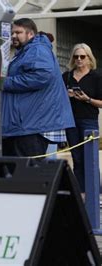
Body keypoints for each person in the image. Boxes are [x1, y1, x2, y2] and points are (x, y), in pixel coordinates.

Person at [2, 18, 74, 157]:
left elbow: (42, 75)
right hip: (26, 124)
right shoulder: (28, 51)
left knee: (26, 173)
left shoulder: (37, 49)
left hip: (31, 125)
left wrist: (5, 83)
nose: (14, 36)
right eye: (12, 33)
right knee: (18, 174)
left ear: (31, 34)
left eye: (18, 32)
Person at [62, 43, 102, 192]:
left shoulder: (96, 77)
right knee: (77, 159)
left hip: (89, 120)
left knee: (90, 159)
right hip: (70, 121)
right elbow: (57, 97)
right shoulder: (66, 76)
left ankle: (95, 194)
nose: (79, 59)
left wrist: (87, 99)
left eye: (82, 56)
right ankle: (81, 194)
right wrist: (66, 95)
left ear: (89, 58)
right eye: (76, 56)